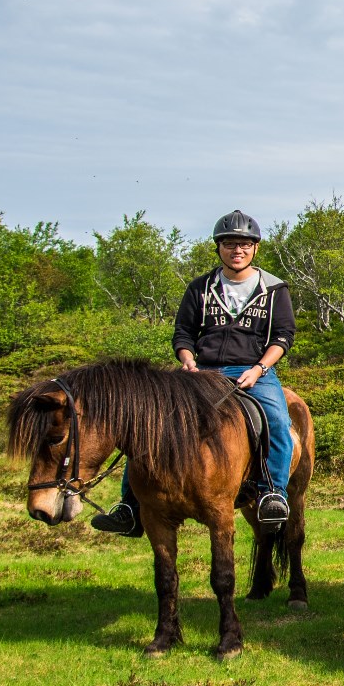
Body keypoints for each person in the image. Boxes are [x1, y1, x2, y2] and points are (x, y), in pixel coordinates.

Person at [91, 209, 296, 535]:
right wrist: (188, 361)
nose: (237, 250)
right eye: (229, 244)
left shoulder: (274, 289)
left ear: (255, 248)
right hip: (203, 371)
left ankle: (273, 493)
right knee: (149, 423)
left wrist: (259, 369)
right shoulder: (200, 287)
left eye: (244, 244)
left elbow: (283, 337)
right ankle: (130, 506)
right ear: (219, 248)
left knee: (279, 422)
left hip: (253, 370)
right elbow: (183, 334)